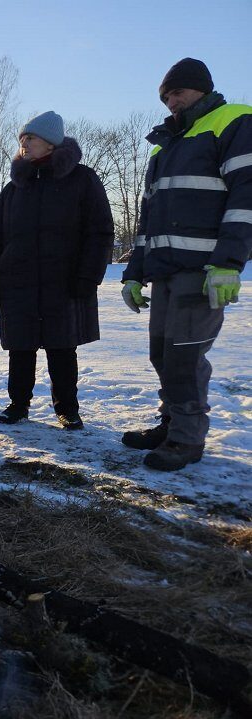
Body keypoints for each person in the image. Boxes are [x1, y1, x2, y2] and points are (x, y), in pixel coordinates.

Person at [119, 59, 251, 471]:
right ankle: (172, 422)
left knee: (184, 357)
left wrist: (228, 262)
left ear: (201, 89)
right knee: (162, 354)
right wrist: (134, 273)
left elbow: (246, 197)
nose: (172, 101)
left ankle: (188, 440)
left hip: (205, 269)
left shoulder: (233, 122)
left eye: (178, 92)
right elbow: (148, 219)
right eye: (167, 96)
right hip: (165, 271)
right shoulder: (166, 146)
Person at [0, 111, 114, 430]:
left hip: (64, 281)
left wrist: (88, 276)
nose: (23, 144)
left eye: (30, 139)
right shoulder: (14, 189)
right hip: (17, 283)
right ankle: (18, 405)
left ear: (51, 144)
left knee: (61, 347)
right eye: (21, 140)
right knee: (20, 347)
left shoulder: (82, 180)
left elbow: (101, 232)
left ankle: (67, 408)